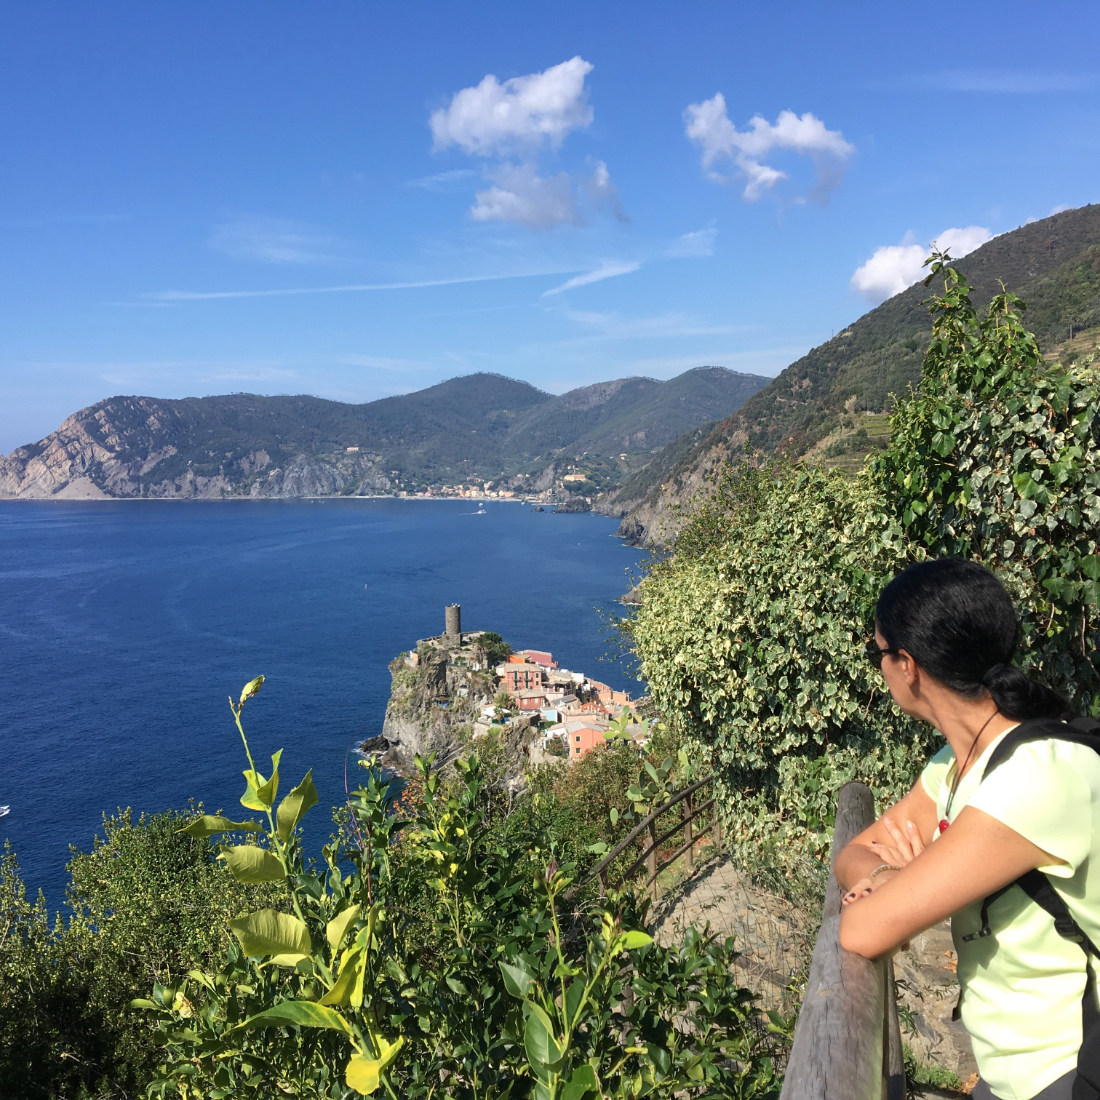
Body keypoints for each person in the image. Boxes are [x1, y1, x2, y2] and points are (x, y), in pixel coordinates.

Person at [836, 558, 1100, 1100]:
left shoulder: (1038, 778)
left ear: (906, 665)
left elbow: (863, 930)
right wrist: (891, 873)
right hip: (1006, 1070)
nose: (879, 667)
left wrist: (901, 887)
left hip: (1069, 1070)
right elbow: (856, 851)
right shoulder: (955, 764)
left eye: (877, 653)